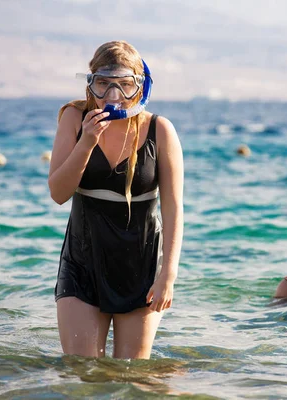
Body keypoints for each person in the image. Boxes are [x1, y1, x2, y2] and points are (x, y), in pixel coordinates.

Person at [48, 41, 184, 359]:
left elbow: (174, 208)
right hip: (83, 261)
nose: (113, 96)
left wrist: (169, 274)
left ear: (141, 86)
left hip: (141, 265)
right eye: (103, 84)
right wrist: (86, 142)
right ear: (90, 83)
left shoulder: (160, 129)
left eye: (124, 85)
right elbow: (58, 193)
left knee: (131, 374)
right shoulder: (74, 118)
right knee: (82, 371)